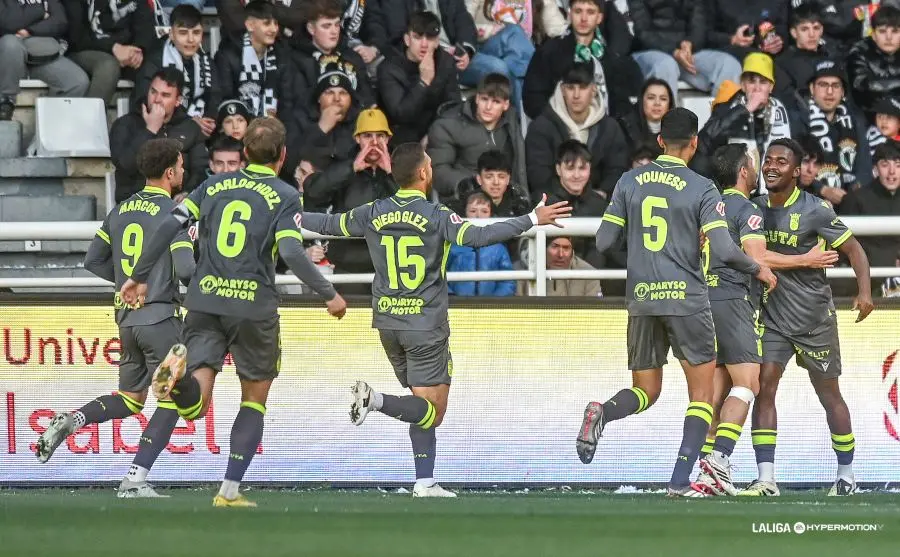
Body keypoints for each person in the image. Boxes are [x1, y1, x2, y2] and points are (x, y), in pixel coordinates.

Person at [301, 142, 571, 496]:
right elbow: (480, 235)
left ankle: (424, 480)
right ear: (425, 173)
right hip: (425, 324)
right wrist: (533, 219)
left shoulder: (372, 211)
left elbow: (328, 224)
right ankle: (375, 400)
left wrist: (281, 214)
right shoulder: (436, 215)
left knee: (419, 404)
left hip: (387, 322)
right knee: (431, 411)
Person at [118, 118, 348, 508]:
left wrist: (139, 276)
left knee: (194, 406)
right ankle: (228, 491)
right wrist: (328, 293)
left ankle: (180, 384)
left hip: (205, 301)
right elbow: (292, 251)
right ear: (283, 156)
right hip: (253, 307)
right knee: (253, 400)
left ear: (243, 154)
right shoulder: (286, 194)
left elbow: (170, 225)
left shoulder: (212, 185)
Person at [578, 107, 777, 497]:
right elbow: (723, 246)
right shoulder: (701, 186)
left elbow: (602, 241)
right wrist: (757, 268)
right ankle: (680, 481)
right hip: (686, 299)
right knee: (703, 396)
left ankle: (604, 410)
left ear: (659, 141)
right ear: (695, 142)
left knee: (646, 391)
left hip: (641, 299)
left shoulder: (629, 181)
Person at [35, 139, 196, 499]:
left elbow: (93, 260)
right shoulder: (173, 212)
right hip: (161, 320)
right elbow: (186, 269)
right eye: (182, 166)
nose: (183, 172)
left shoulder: (121, 210)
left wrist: (127, 284)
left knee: (131, 398)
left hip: (127, 322)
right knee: (172, 401)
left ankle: (74, 420)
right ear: (170, 172)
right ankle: (135, 479)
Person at [692, 144, 839, 496]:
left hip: (700, 301)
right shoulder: (748, 210)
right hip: (735, 302)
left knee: (713, 389)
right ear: (744, 172)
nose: (762, 169)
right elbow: (755, 256)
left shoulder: (704, 204)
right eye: (757, 163)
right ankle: (721, 461)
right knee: (748, 384)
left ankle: (701, 469)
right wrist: (803, 260)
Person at [740, 138, 874, 497]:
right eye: (768, 160)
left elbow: (854, 249)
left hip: (815, 319)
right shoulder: (753, 209)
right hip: (772, 316)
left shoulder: (816, 209)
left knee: (830, 395)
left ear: (797, 172)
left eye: (781, 162)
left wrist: (864, 292)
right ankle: (766, 479)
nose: (771, 166)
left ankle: (846, 476)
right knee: (763, 388)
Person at [110, 68, 209, 202]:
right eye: (153, 92)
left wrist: (188, 192)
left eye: (165, 95)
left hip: (177, 205)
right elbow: (125, 165)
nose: (157, 99)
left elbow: (200, 169)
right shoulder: (126, 124)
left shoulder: (189, 127)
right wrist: (150, 130)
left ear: (178, 100)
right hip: (136, 204)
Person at [0, 0, 89, 119]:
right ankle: (5, 104)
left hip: (40, 54)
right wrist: (41, 11)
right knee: (10, 43)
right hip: (7, 57)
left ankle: (50, 129)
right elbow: (7, 22)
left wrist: (30, 31)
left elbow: (60, 21)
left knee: (77, 82)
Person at [446, 192, 516, 297]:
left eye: (484, 211)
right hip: (457, 307)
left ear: (491, 215)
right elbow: (439, 275)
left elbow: (508, 282)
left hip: (490, 309)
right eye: (473, 211)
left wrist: (495, 302)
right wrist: (451, 296)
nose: (478, 216)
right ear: (464, 214)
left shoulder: (498, 249)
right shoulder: (453, 247)